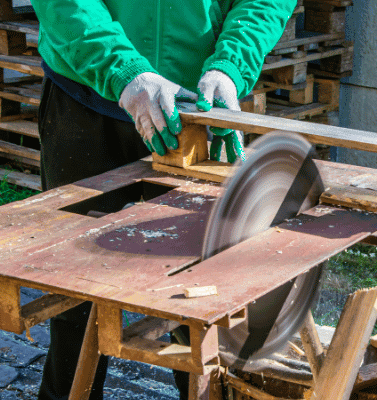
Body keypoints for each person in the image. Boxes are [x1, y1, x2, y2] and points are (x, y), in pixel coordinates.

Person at [30, 1, 296, 399]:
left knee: (203, 296)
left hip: (195, 110)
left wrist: (231, 63)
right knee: (74, 297)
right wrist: (123, 71)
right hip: (85, 91)